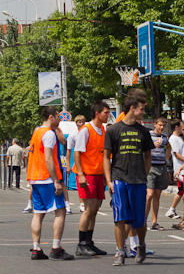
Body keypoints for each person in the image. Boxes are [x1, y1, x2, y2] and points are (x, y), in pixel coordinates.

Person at [104, 90, 154, 265]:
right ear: (132, 108)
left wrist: (145, 174)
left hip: (138, 181)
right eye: (142, 109)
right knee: (120, 216)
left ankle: (140, 245)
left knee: (139, 219)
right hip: (119, 179)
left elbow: (148, 156)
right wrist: (109, 181)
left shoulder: (144, 132)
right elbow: (106, 157)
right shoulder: (113, 130)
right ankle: (120, 251)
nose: (144, 112)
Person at [27, 106, 73, 260]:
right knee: (60, 211)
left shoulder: (37, 131)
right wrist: (56, 181)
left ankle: (36, 249)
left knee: (38, 213)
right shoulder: (48, 134)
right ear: (51, 117)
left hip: (34, 177)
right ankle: (56, 247)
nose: (60, 119)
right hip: (46, 177)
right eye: (58, 116)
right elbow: (48, 158)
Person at [73, 101, 111, 256]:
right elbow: (77, 153)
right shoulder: (86, 130)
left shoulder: (102, 129)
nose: (108, 115)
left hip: (97, 174)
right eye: (106, 112)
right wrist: (81, 174)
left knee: (95, 210)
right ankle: (81, 244)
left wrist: (103, 176)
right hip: (87, 174)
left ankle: (89, 242)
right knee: (88, 210)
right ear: (97, 113)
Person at [146, 116, 172, 230]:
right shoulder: (148, 135)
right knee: (149, 195)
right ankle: (143, 221)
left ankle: (154, 222)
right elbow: (143, 148)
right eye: (160, 125)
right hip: (150, 167)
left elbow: (168, 147)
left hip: (161, 166)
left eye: (163, 125)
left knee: (157, 195)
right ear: (155, 124)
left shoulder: (164, 137)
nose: (161, 127)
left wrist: (166, 157)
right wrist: (153, 146)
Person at [164, 119, 184, 219]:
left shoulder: (179, 138)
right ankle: (171, 210)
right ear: (176, 127)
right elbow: (177, 154)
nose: (183, 129)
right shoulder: (173, 139)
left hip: (183, 168)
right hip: (180, 169)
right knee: (183, 190)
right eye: (181, 126)